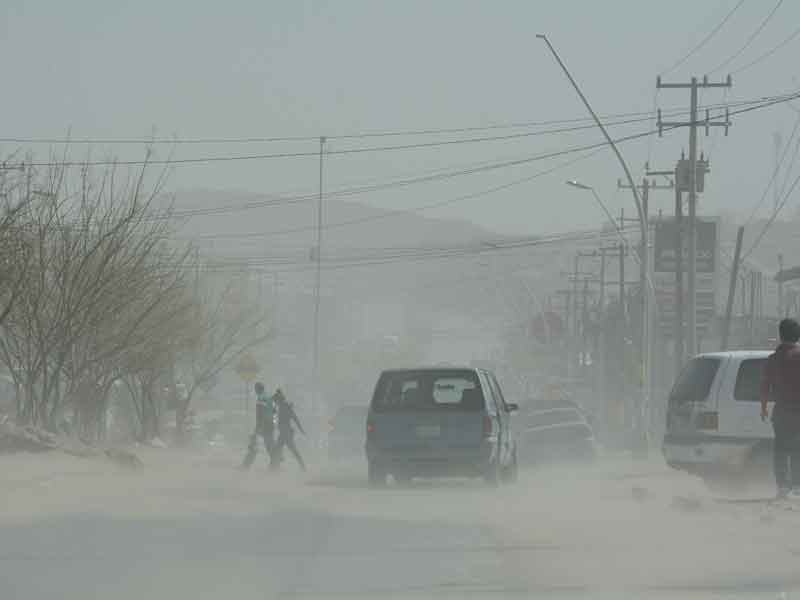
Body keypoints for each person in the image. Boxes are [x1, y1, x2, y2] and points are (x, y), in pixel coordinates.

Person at [760, 318, 800, 498]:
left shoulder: (773, 359)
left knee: (781, 448)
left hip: (781, 411)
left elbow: (765, 385)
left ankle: (782, 486)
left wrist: (763, 407)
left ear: (780, 334)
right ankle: (797, 486)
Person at [241, 382, 275, 469]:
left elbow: (261, 412)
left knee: (254, 444)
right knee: (269, 444)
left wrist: (258, 427)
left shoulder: (261, 398)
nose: (255, 391)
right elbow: (273, 411)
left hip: (263, 424)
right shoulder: (269, 398)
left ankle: (246, 465)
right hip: (269, 424)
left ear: (257, 389)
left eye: (256, 389)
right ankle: (275, 463)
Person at [273, 388, 306, 471]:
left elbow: (295, 418)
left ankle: (302, 465)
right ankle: (275, 466)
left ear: (279, 399)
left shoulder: (285, 406)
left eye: (276, 401)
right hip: (283, 432)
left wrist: (301, 429)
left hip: (286, 432)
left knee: (291, 449)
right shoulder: (281, 406)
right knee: (278, 449)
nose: (275, 403)